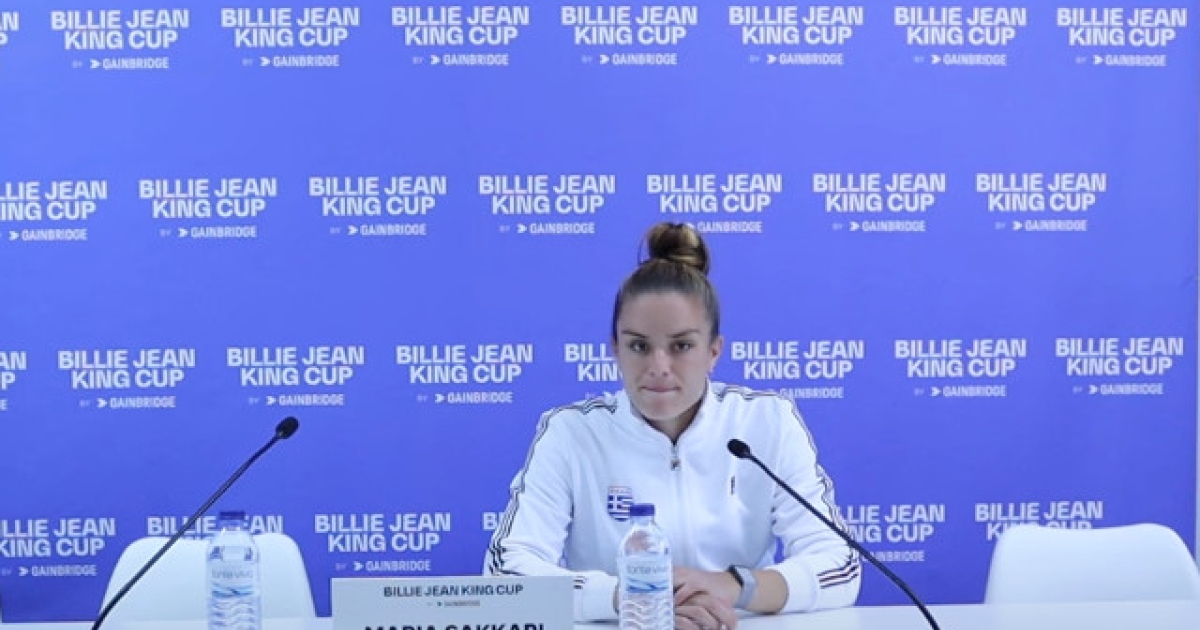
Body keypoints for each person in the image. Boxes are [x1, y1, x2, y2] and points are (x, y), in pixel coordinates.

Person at [484, 222, 860, 629]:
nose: (659, 367)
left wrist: (733, 586)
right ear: (615, 350)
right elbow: (506, 575)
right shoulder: (571, 433)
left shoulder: (768, 422)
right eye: (639, 346)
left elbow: (839, 565)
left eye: (681, 346)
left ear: (713, 351)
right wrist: (633, 597)